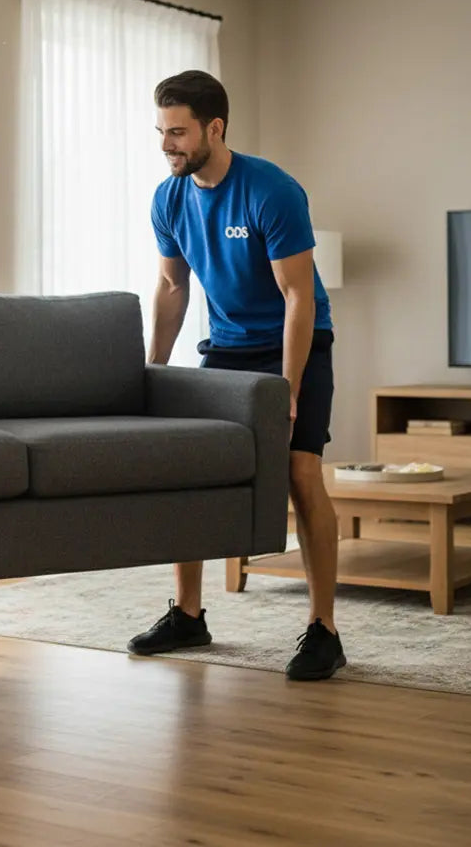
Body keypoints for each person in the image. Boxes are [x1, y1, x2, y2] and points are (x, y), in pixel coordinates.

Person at [127, 69, 345, 681]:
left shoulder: (271, 190)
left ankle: (324, 629)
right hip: (224, 347)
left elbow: (297, 297)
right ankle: (189, 615)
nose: (166, 144)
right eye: (161, 132)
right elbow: (173, 285)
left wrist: (290, 390)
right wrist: (154, 370)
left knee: (301, 471)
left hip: (294, 344)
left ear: (214, 128)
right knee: (188, 467)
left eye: (178, 132)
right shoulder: (168, 198)